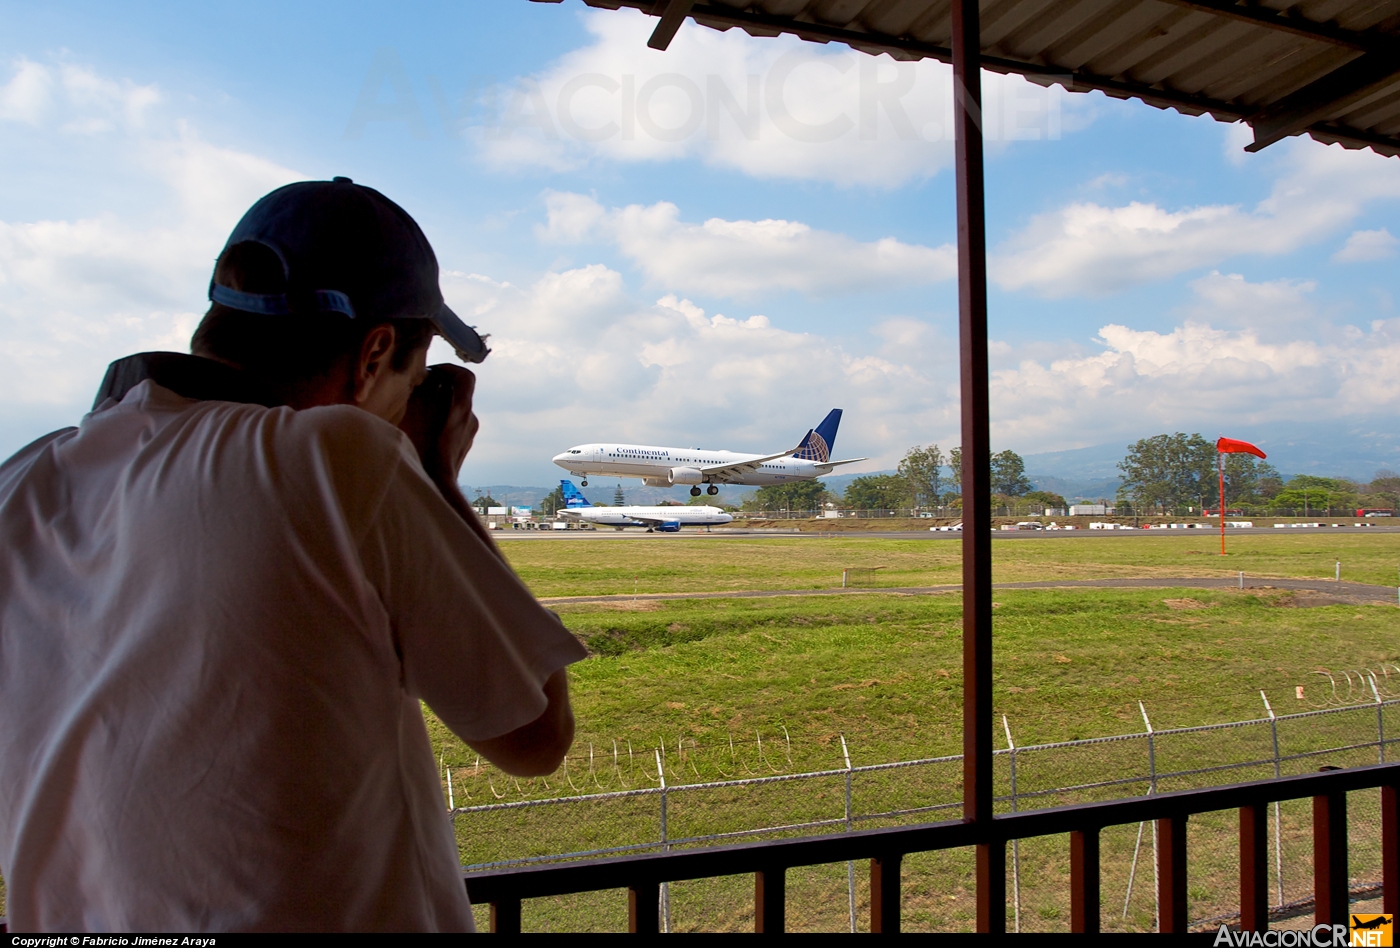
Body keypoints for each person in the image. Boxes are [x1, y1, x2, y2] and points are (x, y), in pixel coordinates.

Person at [0, 177, 587, 931]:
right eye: (410, 379)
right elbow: (534, 733)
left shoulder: (23, 479)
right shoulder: (333, 458)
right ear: (374, 354)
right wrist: (435, 478)